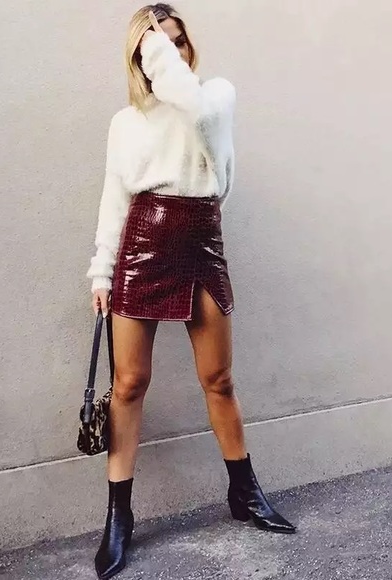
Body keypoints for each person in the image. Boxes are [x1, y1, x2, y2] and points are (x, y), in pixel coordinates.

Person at [87, 4, 296, 579]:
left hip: (201, 238)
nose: (171, 53)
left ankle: (244, 492)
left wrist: (157, 49)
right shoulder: (125, 123)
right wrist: (102, 272)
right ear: (138, 60)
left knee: (219, 379)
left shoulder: (215, 97)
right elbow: (114, 199)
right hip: (142, 243)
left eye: (178, 42)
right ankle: (119, 517)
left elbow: (196, 110)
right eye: (156, 47)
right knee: (128, 384)